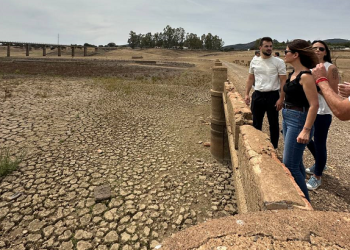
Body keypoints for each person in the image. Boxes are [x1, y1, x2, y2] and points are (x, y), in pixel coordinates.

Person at [282, 39, 319, 201]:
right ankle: (301, 197)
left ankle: (305, 205)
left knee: (289, 165)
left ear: (296, 55)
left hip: (298, 120)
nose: (284, 54)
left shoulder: (306, 76)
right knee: (296, 163)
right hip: (287, 116)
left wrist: (306, 129)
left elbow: (314, 105)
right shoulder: (293, 74)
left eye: (286, 52)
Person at [305, 40, 339, 190]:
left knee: (319, 142)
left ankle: (317, 176)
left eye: (321, 48)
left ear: (325, 52)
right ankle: (320, 163)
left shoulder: (330, 68)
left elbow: (334, 93)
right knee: (303, 138)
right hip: (308, 109)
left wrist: (315, 85)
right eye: (314, 48)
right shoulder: (308, 67)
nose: (317, 50)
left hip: (323, 111)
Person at [245, 37, 286, 149]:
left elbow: (283, 81)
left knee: (273, 124)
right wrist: (247, 94)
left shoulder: (279, 62)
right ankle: (257, 146)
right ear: (260, 47)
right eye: (266, 46)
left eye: (270, 46)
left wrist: (281, 98)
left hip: (273, 95)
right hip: (258, 94)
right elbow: (250, 78)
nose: (269, 48)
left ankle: (273, 148)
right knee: (256, 122)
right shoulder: (254, 61)